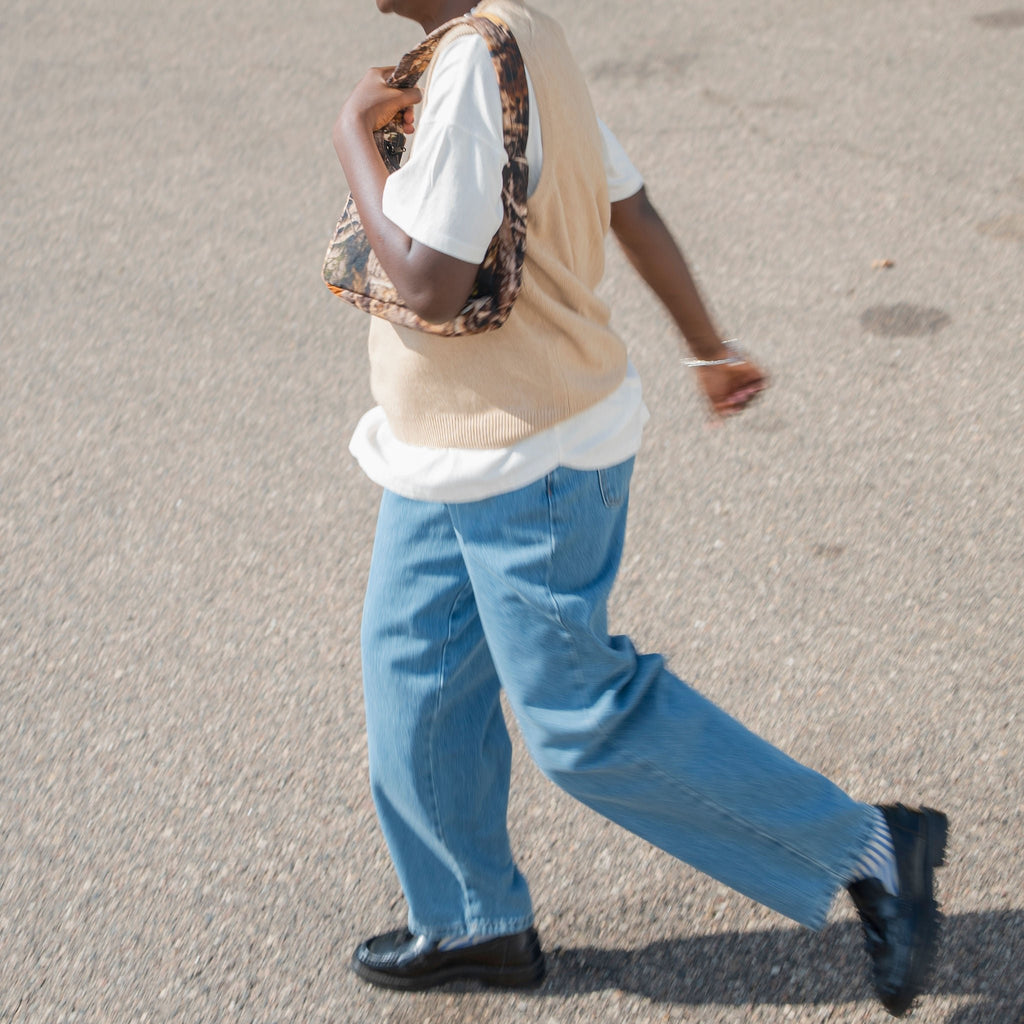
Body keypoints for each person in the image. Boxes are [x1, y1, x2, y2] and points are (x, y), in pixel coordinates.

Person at [329, 0, 948, 1016]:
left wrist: (352, 133)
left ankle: (871, 843)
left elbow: (432, 287)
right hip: (443, 449)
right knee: (416, 688)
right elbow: (628, 199)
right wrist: (707, 346)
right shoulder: (511, 38)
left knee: (582, 723)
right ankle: (473, 921)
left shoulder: (477, 71)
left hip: (531, 457)